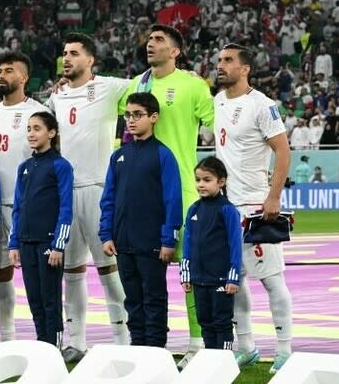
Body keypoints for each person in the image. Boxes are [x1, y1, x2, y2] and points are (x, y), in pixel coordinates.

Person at [119, 25, 213, 364]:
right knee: (142, 274)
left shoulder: (192, 84)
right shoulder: (136, 84)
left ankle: (198, 343)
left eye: (159, 40)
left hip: (184, 192)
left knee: (191, 270)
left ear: (176, 51)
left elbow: (221, 123)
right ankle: (145, 343)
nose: (150, 43)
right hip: (143, 195)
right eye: (149, 39)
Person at [48, 33, 132, 360]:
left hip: (99, 190)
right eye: (64, 53)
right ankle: (77, 342)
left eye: (74, 54)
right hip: (66, 195)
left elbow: (148, 83)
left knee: (109, 269)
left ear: (90, 60)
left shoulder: (110, 87)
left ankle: (124, 342)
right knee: (71, 272)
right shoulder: (56, 98)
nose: (66, 59)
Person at [214, 44, 296, 372]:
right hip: (225, 208)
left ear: (244, 68)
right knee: (233, 279)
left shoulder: (262, 105)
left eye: (228, 61)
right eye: (219, 60)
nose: (220, 65)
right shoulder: (218, 100)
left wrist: (273, 197)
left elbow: (283, 151)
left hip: (254, 206)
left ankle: (285, 349)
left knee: (272, 281)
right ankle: (246, 345)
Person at [99, 92, 183, 348]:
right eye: (128, 115)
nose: (131, 120)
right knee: (132, 299)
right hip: (123, 241)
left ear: (154, 117)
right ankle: (138, 348)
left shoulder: (163, 155)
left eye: (138, 115)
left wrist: (169, 238)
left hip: (152, 243)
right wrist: (106, 234)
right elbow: (108, 198)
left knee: (154, 298)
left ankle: (156, 350)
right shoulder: (119, 156)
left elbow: (173, 199)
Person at [0, 52, 49, 341]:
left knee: (39, 274)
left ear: (23, 77)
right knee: (0, 272)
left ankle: (51, 336)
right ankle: (8, 337)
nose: (1, 75)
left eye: (9, 70)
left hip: (28, 204)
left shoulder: (38, 111)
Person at [8, 111, 73, 347]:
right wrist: (14, 242)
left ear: (52, 133)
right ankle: (41, 346)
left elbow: (66, 207)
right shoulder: (25, 167)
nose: (31, 133)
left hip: (48, 244)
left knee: (50, 299)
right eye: (29, 129)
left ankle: (53, 348)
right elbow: (18, 206)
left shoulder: (60, 165)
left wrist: (58, 244)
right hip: (26, 241)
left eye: (37, 128)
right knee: (34, 299)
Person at [180, 157, 243, 351]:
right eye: (198, 180)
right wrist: (186, 273)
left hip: (221, 280)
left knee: (221, 322)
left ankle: (223, 363)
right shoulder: (193, 209)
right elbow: (188, 243)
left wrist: (233, 277)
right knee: (204, 321)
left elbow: (235, 245)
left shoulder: (228, 210)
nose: (201, 184)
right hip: (199, 279)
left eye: (207, 180)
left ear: (221, 182)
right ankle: (210, 360)